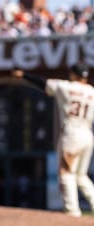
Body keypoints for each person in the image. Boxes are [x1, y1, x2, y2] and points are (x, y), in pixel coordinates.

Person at [12, 63, 94, 217]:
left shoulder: (66, 87)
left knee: (66, 173)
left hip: (72, 133)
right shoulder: (92, 91)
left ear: (73, 74)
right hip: (87, 134)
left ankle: (72, 212)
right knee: (81, 176)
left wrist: (23, 75)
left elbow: (43, 83)